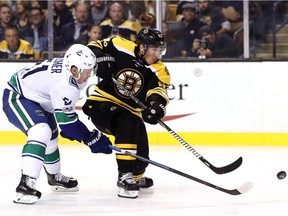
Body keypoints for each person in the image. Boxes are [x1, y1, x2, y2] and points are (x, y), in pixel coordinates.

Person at [2, 44, 112, 204]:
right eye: (87, 72)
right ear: (75, 70)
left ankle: (54, 177)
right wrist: (90, 138)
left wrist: (81, 133)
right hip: (18, 96)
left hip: (38, 97)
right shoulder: (66, 86)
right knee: (41, 131)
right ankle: (26, 184)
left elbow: (66, 121)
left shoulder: (69, 72)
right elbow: (68, 125)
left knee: (51, 138)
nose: (89, 76)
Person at [82, 28, 170, 199]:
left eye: (160, 49)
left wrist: (155, 106)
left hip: (132, 114)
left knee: (141, 159)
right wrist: (101, 57)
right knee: (127, 120)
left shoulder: (160, 70)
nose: (158, 54)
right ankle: (124, 177)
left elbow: (158, 92)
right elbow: (91, 47)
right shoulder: (119, 44)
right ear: (142, 47)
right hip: (102, 103)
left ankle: (135, 177)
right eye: (154, 49)